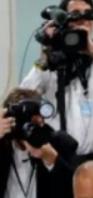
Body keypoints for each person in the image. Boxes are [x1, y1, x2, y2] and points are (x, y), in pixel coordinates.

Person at [21, 0, 93, 158]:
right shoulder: (52, 62)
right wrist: (45, 56)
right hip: (57, 159)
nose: (82, 20)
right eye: (75, 14)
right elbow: (24, 95)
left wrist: (90, 50)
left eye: (88, 14)